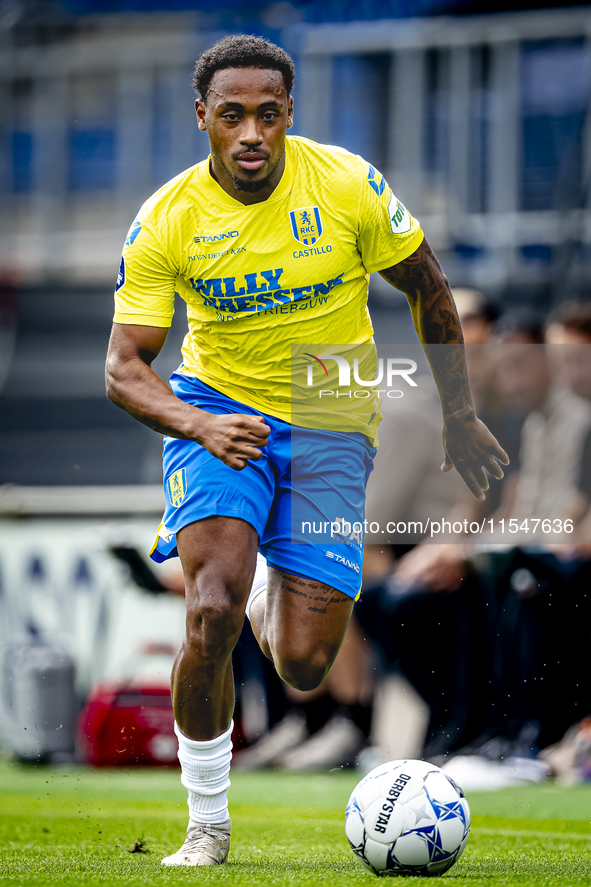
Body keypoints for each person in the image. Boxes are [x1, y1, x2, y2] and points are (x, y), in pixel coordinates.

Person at [104, 34, 507, 867]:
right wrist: (196, 423)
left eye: (268, 114)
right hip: (221, 416)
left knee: (302, 662)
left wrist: (457, 414)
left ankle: (268, 600)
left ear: (290, 113)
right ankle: (207, 824)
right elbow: (123, 367)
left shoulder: (349, 185)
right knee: (208, 606)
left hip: (331, 421)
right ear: (202, 119)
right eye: (231, 116)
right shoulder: (168, 218)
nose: (251, 133)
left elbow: (428, 286)